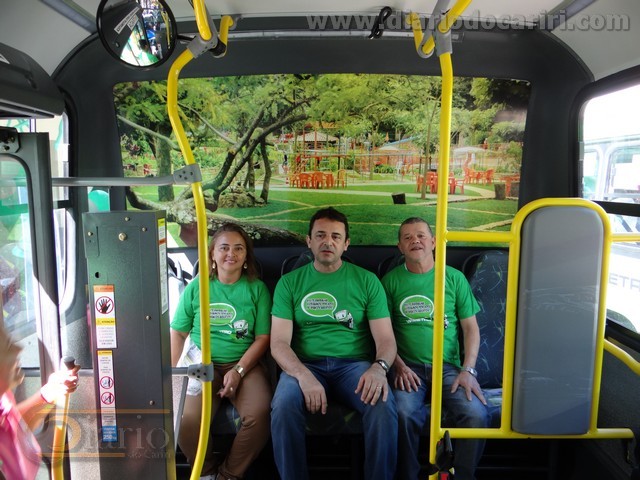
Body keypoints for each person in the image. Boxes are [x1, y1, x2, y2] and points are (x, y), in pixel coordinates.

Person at [270, 207, 398, 480]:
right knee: (283, 405)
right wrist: (303, 375)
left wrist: (379, 368)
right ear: (309, 241)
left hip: (355, 366)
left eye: (336, 237)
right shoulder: (289, 283)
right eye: (320, 235)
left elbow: (386, 339)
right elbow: (278, 343)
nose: (328, 242)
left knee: (382, 402)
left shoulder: (367, 281)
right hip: (304, 365)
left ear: (346, 244)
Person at [381, 217, 489, 480]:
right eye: (407, 237)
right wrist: (398, 366)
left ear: (433, 242)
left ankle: (462, 476)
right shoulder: (390, 282)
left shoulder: (453, 278)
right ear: (400, 247)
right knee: (403, 414)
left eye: (420, 235)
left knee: (476, 415)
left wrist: (469, 370)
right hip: (407, 369)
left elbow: (471, 329)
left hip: (448, 368)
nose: (415, 241)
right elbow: (382, 333)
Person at [171, 223, 272, 480]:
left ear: (246, 256)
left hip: (244, 364)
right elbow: (179, 333)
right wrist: (170, 375)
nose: (231, 254)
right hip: (201, 364)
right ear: (212, 254)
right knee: (184, 418)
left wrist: (238, 371)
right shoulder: (197, 287)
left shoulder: (257, 289)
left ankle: (228, 475)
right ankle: (206, 472)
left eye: (239, 249)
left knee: (260, 413)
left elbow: (263, 338)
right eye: (224, 248)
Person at [0, 326, 80, 480]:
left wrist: (50, 391)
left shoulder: (3, 399)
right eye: (7, 346)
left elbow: (16, 427)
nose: (18, 349)